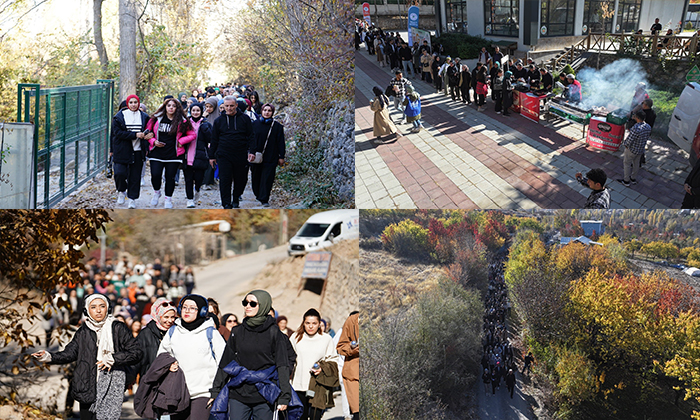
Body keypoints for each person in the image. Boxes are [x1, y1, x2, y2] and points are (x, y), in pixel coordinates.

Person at [32, 294, 142, 420]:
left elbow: (136, 352)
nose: (98, 310)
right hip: (86, 385)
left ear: (108, 308)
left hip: (111, 386)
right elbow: (69, 353)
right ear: (87, 310)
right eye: (93, 307)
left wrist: (113, 358)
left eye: (102, 306)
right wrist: (49, 356)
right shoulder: (83, 331)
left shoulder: (118, 328)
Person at [210, 290, 296, 420]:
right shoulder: (237, 331)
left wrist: (284, 396)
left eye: (252, 303)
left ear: (263, 305)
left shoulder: (274, 333)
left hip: (264, 394)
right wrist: (216, 390)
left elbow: (282, 365)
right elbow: (226, 362)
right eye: (245, 302)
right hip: (238, 392)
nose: (247, 306)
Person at [157, 294, 226, 420]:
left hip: (204, 393)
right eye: (184, 307)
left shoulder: (210, 333)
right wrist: (169, 364)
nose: (187, 311)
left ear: (202, 311)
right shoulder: (173, 332)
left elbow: (224, 362)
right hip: (177, 393)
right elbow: (161, 357)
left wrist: (216, 391)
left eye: (192, 308)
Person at [146, 98, 196, 209]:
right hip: (156, 153)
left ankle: (168, 198)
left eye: (173, 106)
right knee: (155, 175)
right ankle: (157, 192)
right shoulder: (156, 119)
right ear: (165, 106)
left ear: (177, 108)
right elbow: (147, 133)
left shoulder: (182, 121)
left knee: (170, 177)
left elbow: (192, 135)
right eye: (169, 105)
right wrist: (153, 141)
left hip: (173, 154)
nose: (171, 108)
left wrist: (181, 141)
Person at [291, 309, 338, 420]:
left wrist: (322, 368)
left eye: (314, 323)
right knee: (300, 417)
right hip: (299, 385)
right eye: (308, 323)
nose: (311, 326)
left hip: (318, 385)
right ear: (303, 323)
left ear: (319, 324)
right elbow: (288, 358)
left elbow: (334, 359)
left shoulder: (326, 339)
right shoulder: (295, 337)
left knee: (315, 417)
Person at [209, 96, 254, 209]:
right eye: (226, 106)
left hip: (241, 154)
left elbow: (251, 136)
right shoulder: (219, 121)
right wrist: (211, 156)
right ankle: (226, 204)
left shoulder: (245, 119)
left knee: (241, 179)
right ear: (223, 106)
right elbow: (214, 139)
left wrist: (252, 151)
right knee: (225, 180)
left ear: (236, 106)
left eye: (231, 106)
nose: (229, 108)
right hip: (223, 154)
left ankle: (236, 197)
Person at [111, 94, 151, 209]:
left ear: (139, 103)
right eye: (131, 102)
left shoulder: (144, 116)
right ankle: (121, 190)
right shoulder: (119, 116)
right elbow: (117, 133)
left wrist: (148, 136)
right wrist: (135, 135)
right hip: (122, 150)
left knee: (135, 177)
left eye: (135, 102)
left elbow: (149, 129)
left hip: (138, 151)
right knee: (119, 173)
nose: (133, 105)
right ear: (127, 104)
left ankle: (132, 199)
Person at [250, 103, 285, 207]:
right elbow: (250, 139)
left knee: (267, 178)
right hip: (256, 156)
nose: (267, 112)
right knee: (256, 177)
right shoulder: (255, 124)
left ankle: (264, 198)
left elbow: (281, 142)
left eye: (269, 111)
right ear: (261, 111)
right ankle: (258, 194)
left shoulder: (277, 126)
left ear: (272, 112)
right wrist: (250, 152)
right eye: (265, 110)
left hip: (271, 156)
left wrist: (281, 156)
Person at [136, 297, 177, 380]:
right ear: (158, 316)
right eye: (166, 317)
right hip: (152, 381)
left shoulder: (177, 331)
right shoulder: (145, 334)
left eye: (172, 317)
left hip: (173, 380)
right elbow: (137, 360)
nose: (170, 320)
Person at [618, 110, 651, 187]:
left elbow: (629, 140)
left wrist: (625, 144)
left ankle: (626, 180)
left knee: (627, 163)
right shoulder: (648, 127)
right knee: (636, 164)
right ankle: (633, 178)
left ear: (637, 118)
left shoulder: (636, 128)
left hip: (632, 150)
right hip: (640, 149)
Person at [336, 312, 359, 420]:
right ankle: (347, 415)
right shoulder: (352, 321)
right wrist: (353, 348)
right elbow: (340, 346)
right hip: (353, 374)